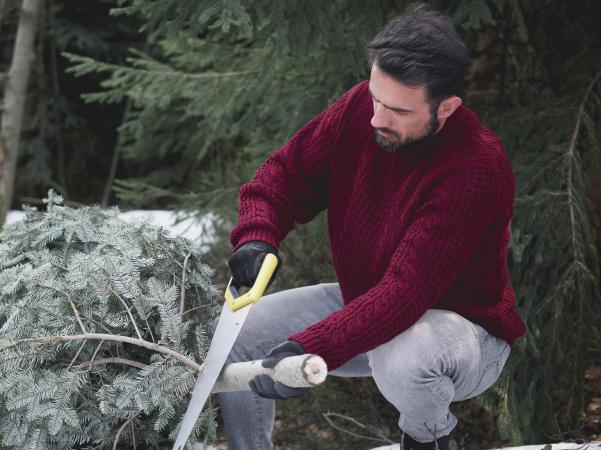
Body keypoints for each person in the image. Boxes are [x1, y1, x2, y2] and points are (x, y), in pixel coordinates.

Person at [221, 5, 526, 450]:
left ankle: (427, 440)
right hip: (368, 306)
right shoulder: (361, 109)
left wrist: (315, 346)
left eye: (398, 110)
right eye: (375, 97)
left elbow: (406, 293)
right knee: (241, 332)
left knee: (407, 357)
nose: (377, 118)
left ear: (446, 108)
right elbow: (283, 176)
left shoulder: (474, 166)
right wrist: (256, 236)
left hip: (459, 336)